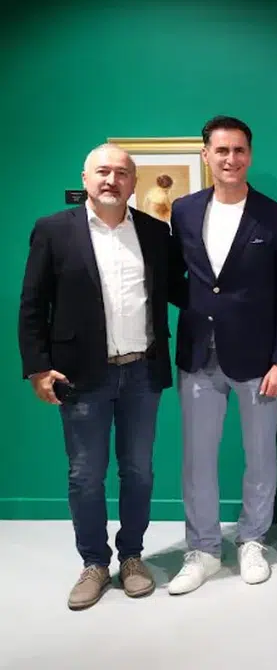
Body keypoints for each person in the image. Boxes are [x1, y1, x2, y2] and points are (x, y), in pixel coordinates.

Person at [18, 144, 177, 609]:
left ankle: (132, 557)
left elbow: (173, 292)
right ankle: (94, 562)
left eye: (122, 173)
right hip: (81, 375)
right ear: (85, 178)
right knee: (86, 476)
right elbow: (33, 303)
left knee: (139, 471)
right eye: (102, 171)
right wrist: (37, 367)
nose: (112, 180)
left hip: (142, 372)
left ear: (133, 182)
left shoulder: (154, 231)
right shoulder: (54, 230)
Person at [166, 116, 277, 594]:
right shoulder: (183, 211)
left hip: (259, 360)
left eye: (239, 150)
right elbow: (178, 278)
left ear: (250, 155)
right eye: (221, 150)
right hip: (198, 354)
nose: (230, 159)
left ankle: (252, 540)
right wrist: (202, 308)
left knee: (261, 455)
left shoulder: (276, 217)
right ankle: (203, 549)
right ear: (206, 154)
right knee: (197, 459)